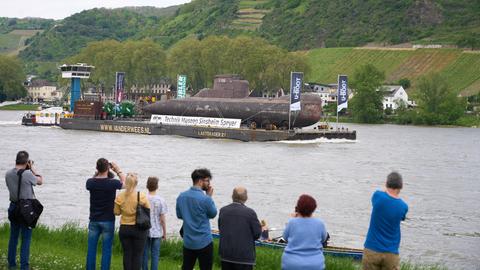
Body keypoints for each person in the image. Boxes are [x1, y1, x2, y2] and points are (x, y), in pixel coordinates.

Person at [362, 172, 409, 270]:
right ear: (401, 186)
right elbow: (402, 218)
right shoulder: (403, 206)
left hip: (372, 249)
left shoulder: (377, 196)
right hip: (391, 252)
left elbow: (383, 193)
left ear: (386, 183)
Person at [5, 151, 43, 270]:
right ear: (26, 162)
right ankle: (24, 266)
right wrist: (33, 169)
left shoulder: (8, 173)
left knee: (13, 237)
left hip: (13, 206)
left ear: (16, 160)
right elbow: (40, 181)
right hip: (26, 209)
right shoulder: (27, 174)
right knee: (26, 239)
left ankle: (11, 264)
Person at [86, 158, 125, 270]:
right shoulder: (112, 183)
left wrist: (100, 171)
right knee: (106, 250)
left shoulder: (90, 182)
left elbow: (95, 178)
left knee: (91, 249)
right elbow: (127, 184)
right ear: (108, 168)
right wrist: (117, 170)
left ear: (97, 168)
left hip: (94, 219)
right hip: (108, 219)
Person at [176, 168, 217, 270]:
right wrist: (209, 197)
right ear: (200, 181)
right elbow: (213, 214)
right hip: (204, 241)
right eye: (207, 180)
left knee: (187, 267)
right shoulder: (205, 199)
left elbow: (179, 215)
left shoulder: (181, 196)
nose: (209, 184)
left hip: (188, 241)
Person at [218, 187, 262, 270]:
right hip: (243, 257)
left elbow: (221, 229)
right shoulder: (250, 213)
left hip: (226, 255)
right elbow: (257, 234)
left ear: (232, 196)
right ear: (246, 198)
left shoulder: (223, 210)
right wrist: (261, 228)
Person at [281, 194, 328, 270]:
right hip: (315, 264)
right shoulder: (320, 223)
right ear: (313, 208)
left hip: (291, 263)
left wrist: (293, 218)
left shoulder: (292, 222)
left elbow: (285, 238)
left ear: (298, 207)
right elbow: (323, 239)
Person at [115, 173, 150, 270]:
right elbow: (148, 210)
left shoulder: (120, 196)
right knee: (137, 255)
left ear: (126, 182)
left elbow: (116, 212)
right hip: (139, 228)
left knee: (127, 254)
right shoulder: (141, 196)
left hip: (125, 228)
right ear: (136, 183)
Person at [142, 176, 168, 270]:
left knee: (144, 253)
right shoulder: (161, 200)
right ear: (157, 186)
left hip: (145, 230)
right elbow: (162, 219)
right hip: (157, 231)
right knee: (155, 254)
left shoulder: (143, 198)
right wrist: (164, 233)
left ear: (147, 186)